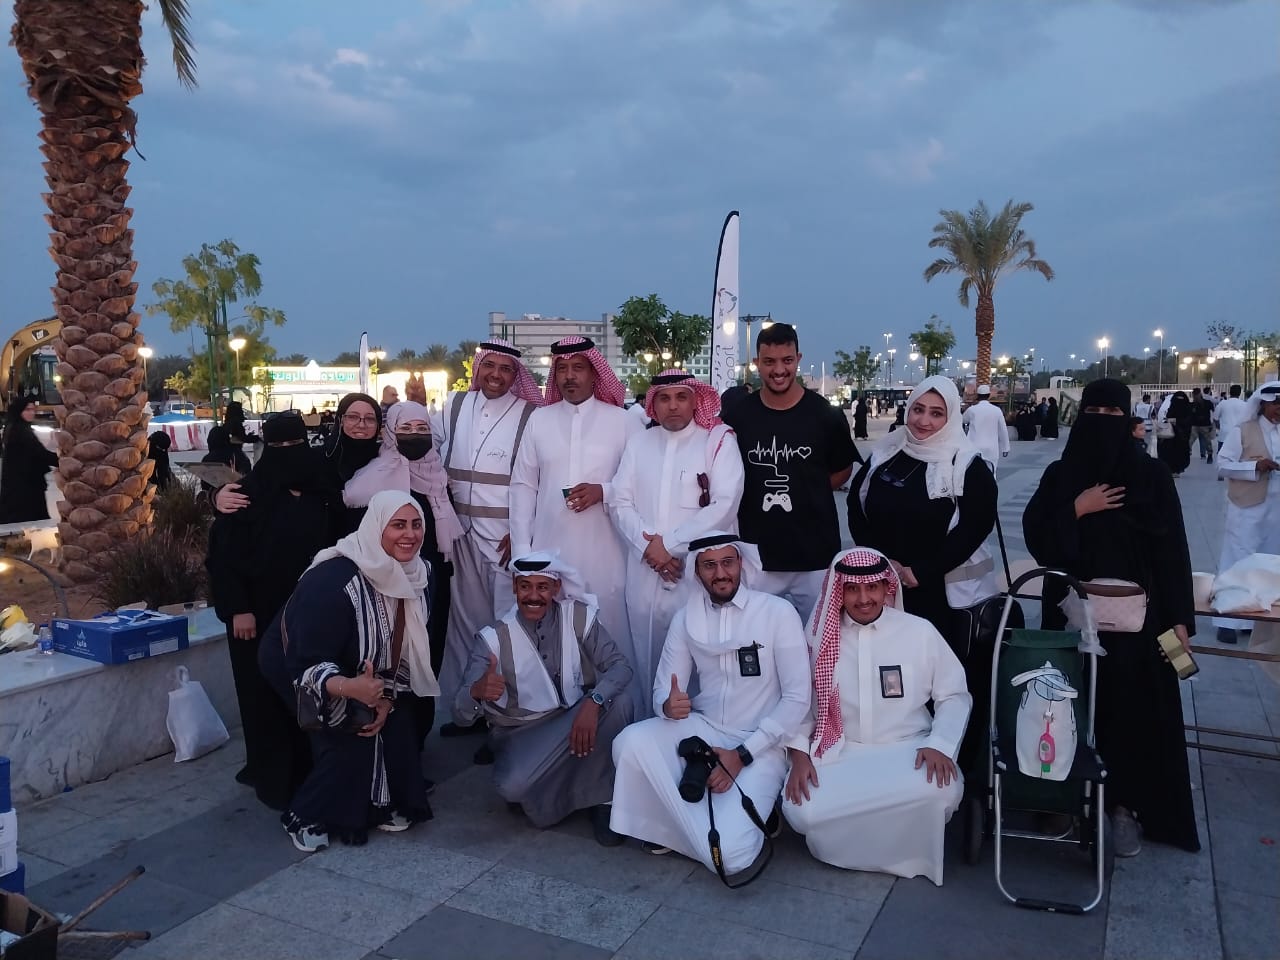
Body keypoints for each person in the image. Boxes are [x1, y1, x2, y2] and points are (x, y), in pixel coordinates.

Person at [1022, 378, 1199, 857]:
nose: (1102, 422)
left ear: (1128, 418)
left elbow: (1173, 552)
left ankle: (1124, 806)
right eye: (1093, 413)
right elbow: (1039, 539)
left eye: (1112, 414)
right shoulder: (1062, 475)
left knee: (1133, 712)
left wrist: (1180, 619)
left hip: (1141, 624)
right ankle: (1062, 795)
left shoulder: (1152, 477)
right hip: (1071, 617)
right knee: (1063, 708)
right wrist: (1077, 509)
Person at [609, 533, 811, 875]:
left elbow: (797, 700)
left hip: (762, 744)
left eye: (727, 563)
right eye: (709, 565)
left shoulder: (777, 613)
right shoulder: (685, 619)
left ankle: (673, 827)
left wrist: (741, 755)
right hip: (705, 729)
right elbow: (664, 689)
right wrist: (667, 705)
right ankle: (706, 826)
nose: (720, 573)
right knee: (629, 742)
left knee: (732, 859)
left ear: (741, 564)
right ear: (697, 571)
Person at [260, 491, 438, 852]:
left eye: (416, 524)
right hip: (301, 661)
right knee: (348, 739)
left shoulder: (421, 574)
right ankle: (303, 815)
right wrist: (348, 688)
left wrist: (385, 697)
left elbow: (407, 646)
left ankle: (380, 804)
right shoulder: (333, 579)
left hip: (366, 669)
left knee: (396, 727)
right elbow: (306, 656)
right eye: (398, 525)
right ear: (376, 527)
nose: (410, 534)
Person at [782, 548, 971, 885]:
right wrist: (798, 753)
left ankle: (893, 846)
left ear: (887, 588)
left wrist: (940, 744)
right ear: (839, 591)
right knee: (802, 810)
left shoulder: (919, 632)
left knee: (940, 791)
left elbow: (954, 694)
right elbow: (802, 704)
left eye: (872, 588)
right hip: (842, 752)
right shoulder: (819, 639)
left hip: (908, 750)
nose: (863, 599)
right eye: (852, 589)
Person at [206, 412, 342, 810]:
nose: (287, 454)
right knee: (261, 694)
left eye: (294, 445)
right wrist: (238, 609)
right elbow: (223, 558)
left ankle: (315, 770)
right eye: (278, 447)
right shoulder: (246, 494)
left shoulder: (323, 488)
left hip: (312, 612)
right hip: (258, 613)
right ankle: (273, 776)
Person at [454, 553, 634, 845]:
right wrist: (476, 691)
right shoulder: (493, 638)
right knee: (511, 786)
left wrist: (594, 701)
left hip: (575, 716)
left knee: (621, 702)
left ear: (556, 588)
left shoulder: (578, 616)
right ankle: (565, 789)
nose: (533, 596)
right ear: (515, 587)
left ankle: (604, 800)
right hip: (522, 732)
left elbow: (620, 667)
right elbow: (459, 714)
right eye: (525, 586)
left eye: (542, 587)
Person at [509, 335, 640, 695]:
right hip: (549, 552)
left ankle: (617, 711)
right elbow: (522, 486)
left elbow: (641, 482)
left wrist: (604, 491)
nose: (569, 376)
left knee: (609, 633)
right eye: (562, 369)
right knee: (554, 640)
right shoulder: (539, 420)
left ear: (595, 373)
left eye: (578, 368)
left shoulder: (624, 421)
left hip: (608, 554)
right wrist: (523, 553)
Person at [610, 371, 744, 711]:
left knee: (702, 660)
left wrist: (668, 545)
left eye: (681, 397)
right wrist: (649, 548)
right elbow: (619, 502)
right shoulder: (639, 443)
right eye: (664, 398)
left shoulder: (717, 442)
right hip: (645, 572)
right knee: (647, 657)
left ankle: (703, 730)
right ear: (652, 404)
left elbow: (725, 504)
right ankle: (651, 725)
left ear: (696, 401)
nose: (673, 406)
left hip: (696, 573)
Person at [432, 339, 543, 737]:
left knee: (506, 628)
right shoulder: (454, 405)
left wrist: (522, 531)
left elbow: (539, 478)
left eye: (506, 369)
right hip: (458, 534)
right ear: (477, 369)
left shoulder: (530, 414)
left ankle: (504, 719)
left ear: (516, 375)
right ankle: (466, 711)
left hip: (503, 539)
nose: (496, 375)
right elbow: (427, 453)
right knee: (462, 626)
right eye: (489, 367)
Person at [345, 401, 464, 750]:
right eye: (406, 429)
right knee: (396, 663)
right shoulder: (376, 475)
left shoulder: (436, 474)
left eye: (422, 428)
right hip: (390, 583)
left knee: (428, 656)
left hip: (433, 582)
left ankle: (416, 747)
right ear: (391, 432)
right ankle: (394, 747)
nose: (415, 435)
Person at [721, 323, 859, 620]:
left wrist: (807, 488)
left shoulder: (825, 414)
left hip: (815, 555)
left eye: (787, 360)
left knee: (818, 635)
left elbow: (843, 469)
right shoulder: (737, 416)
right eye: (769, 361)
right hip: (756, 555)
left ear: (798, 359)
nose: (779, 370)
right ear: (756, 363)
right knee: (756, 635)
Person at [847, 376, 998, 640]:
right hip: (883, 588)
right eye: (918, 409)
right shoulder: (886, 453)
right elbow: (856, 507)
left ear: (950, 418)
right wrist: (881, 561)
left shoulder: (967, 466)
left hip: (942, 597)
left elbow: (975, 527)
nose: (923, 421)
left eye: (936, 413)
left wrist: (922, 571)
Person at [1213, 381, 1280, 644]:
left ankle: (1255, 620)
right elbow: (1222, 465)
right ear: (1262, 404)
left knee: (1269, 563)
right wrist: (1255, 467)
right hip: (1247, 506)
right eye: (1276, 404)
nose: (1279, 409)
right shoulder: (1243, 430)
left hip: (1276, 508)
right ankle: (1228, 620)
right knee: (1238, 560)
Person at [0, 398, 57, 523]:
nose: (31, 413)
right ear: (19, 411)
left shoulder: (16, 427)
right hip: (24, 488)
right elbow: (39, 453)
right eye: (27, 410)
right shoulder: (20, 431)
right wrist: (62, 461)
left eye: (32, 409)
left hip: (21, 485)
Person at [961, 385, 1010, 473]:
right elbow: (1003, 430)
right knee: (991, 472)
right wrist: (1005, 448)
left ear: (978, 395)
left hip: (974, 447)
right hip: (991, 448)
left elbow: (963, 420)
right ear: (989, 395)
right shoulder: (996, 410)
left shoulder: (972, 410)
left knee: (974, 473)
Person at [1156, 390, 1192, 477]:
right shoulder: (1174, 408)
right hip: (1173, 435)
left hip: (1180, 435)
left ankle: (1176, 469)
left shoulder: (1186, 409)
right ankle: (1172, 469)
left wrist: (1177, 421)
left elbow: (1189, 420)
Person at [1213, 385, 1248, 461]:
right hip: (1238, 436)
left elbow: (1215, 418)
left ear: (1230, 392)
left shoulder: (1222, 403)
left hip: (1224, 435)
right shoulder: (1244, 405)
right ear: (1240, 393)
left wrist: (1219, 427)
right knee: (1238, 459)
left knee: (1222, 459)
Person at [1189, 388, 1215, 463]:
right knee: (1190, 441)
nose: (1195, 397)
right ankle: (1208, 455)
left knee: (1207, 441)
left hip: (1204, 425)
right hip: (1196, 425)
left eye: (1195, 395)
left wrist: (1211, 424)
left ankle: (1209, 455)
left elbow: (1212, 412)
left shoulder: (1207, 403)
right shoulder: (1192, 404)